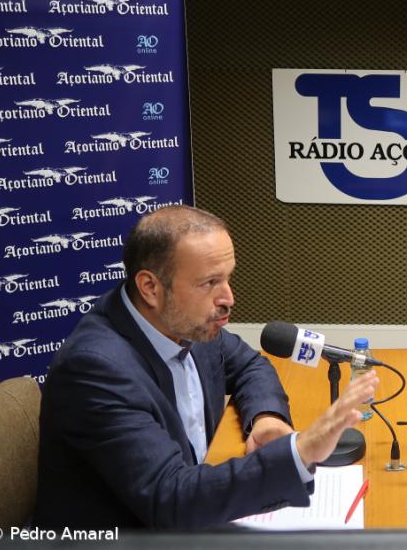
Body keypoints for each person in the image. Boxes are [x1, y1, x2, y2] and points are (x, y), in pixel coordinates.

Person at [34, 205, 378, 530]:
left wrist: (265, 418)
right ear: (150, 287)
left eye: (227, 278)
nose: (228, 298)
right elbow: (171, 498)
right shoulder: (94, 370)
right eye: (209, 283)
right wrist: (299, 453)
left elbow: (249, 366)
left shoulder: (183, 322)